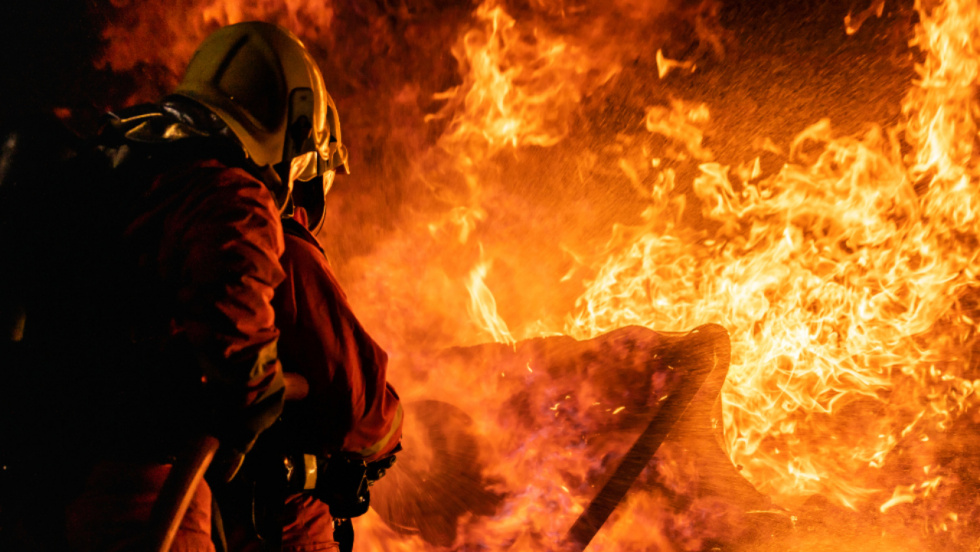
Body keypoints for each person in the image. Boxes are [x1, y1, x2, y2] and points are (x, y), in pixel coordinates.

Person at [0, 22, 340, 551]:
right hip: (141, 490)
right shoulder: (231, 193)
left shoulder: (130, 161)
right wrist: (258, 392)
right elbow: (237, 321)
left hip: (47, 475)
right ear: (291, 131)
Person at [219, 62, 403, 552]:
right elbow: (364, 414)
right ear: (302, 165)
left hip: (189, 510)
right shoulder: (284, 252)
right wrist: (386, 436)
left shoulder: (177, 223)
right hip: (274, 524)